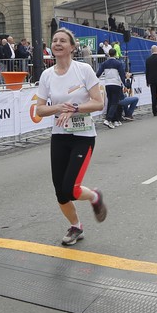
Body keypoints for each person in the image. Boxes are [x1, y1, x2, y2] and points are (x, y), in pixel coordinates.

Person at [35, 29, 108, 246]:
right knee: (60, 192)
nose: (57, 43)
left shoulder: (83, 70)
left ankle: (94, 196)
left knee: (70, 188)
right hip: (60, 136)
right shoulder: (47, 75)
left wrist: (75, 108)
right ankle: (76, 226)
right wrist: (59, 107)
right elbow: (39, 110)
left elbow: (98, 103)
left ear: (72, 47)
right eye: (54, 40)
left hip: (83, 136)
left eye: (62, 41)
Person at [96, 47, 125, 128]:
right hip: (116, 84)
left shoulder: (104, 63)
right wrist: (125, 84)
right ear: (115, 54)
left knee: (110, 102)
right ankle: (108, 119)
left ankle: (114, 120)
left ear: (109, 54)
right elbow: (122, 75)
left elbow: (98, 74)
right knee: (114, 103)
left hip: (108, 84)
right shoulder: (118, 63)